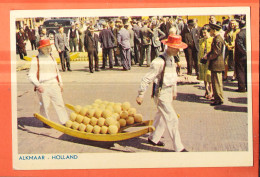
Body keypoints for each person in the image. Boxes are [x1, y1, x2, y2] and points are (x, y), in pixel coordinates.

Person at [136, 35, 188, 152]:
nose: (178, 50)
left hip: (168, 92)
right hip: (161, 93)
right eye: (176, 48)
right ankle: (179, 147)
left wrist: (174, 91)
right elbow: (146, 79)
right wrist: (141, 94)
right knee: (172, 118)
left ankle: (153, 138)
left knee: (162, 116)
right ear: (169, 47)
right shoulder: (158, 62)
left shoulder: (172, 58)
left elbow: (172, 77)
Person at [28, 39, 69, 127]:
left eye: (49, 47)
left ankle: (64, 121)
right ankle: (46, 121)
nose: (48, 49)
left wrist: (60, 83)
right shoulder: (36, 60)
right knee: (44, 105)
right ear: (41, 49)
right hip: (43, 85)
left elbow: (57, 71)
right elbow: (31, 75)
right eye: (46, 48)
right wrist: (38, 85)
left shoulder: (52, 57)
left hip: (54, 83)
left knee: (59, 103)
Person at [202, 23, 225, 106]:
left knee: (217, 82)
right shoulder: (217, 38)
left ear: (214, 30)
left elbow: (216, 53)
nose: (210, 31)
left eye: (211, 30)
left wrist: (207, 57)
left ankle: (219, 99)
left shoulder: (218, 39)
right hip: (215, 64)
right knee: (215, 82)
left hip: (216, 64)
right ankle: (217, 98)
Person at [198, 25, 214, 99]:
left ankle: (211, 91)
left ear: (209, 32)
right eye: (202, 33)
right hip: (202, 61)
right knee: (204, 77)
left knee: (209, 76)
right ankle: (206, 90)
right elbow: (199, 52)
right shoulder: (201, 40)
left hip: (209, 61)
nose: (203, 35)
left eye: (205, 33)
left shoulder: (212, 40)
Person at [235, 19, 247, 92]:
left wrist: (244, 52)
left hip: (241, 56)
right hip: (247, 55)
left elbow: (239, 45)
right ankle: (248, 87)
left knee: (240, 71)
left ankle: (242, 88)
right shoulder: (248, 32)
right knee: (247, 71)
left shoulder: (240, 34)